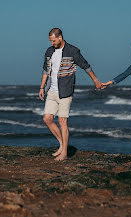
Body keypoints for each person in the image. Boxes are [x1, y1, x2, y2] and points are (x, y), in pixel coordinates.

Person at [39, 28, 102, 161]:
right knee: (47, 119)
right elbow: (45, 70)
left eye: (54, 40)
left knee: (62, 121)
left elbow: (85, 66)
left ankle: (64, 153)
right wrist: (42, 87)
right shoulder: (49, 51)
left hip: (65, 91)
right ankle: (62, 145)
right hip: (51, 90)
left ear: (60, 37)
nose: (52, 43)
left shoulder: (72, 51)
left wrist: (96, 80)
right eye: (50, 40)